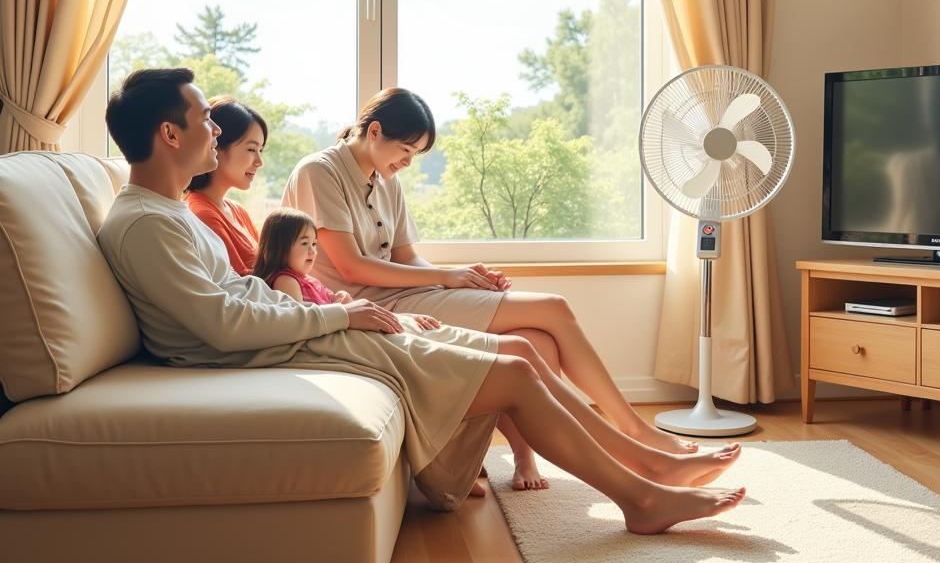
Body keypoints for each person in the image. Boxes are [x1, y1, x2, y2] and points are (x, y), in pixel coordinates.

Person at [97, 67, 745, 531]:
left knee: (521, 348)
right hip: (275, 349)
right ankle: (643, 494)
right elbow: (223, 325)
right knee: (518, 366)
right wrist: (341, 311)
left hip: (303, 328)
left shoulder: (168, 212)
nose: (215, 128)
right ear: (170, 135)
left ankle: (647, 465)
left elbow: (241, 298)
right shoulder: (147, 224)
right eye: (204, 118)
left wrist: (349, 308)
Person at [282, 88, 701, 491]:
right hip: (365, 305)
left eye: (415, 155)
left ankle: (528, 454)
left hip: (400, 293)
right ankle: (634, 432)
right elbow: (353, 265)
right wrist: (447, 279)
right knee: (552, 308)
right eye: (405, 151)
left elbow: (408, 256)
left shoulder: (387, 179)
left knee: (534, 338)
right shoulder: (320, 171)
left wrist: (466, 278)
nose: (408, 163)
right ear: (374, 132)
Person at [184, 97, 267, 274]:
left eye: (260, 150)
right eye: (251, 149)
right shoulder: (202, 214)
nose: (260, 162)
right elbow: (240, 283)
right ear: (217, 146)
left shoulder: (237, 210)